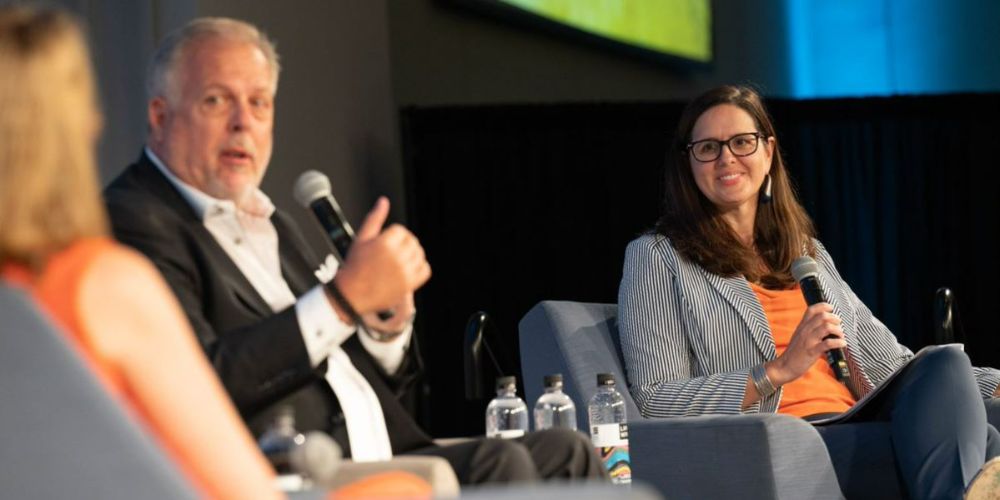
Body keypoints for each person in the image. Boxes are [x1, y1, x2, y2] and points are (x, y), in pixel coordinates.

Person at [103, 16, 603, 485]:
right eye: (217, 100)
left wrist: (382, 325)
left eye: (259, 103)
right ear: (159, 115)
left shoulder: (266, 217)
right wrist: (342, 300)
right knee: (503, 462)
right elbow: (200, 381)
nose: (243, 123)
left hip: (382, 450)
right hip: (290, 471)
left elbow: (354, 365)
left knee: (570, 451)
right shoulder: (137, 219)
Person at [617, 84, 1000, 499]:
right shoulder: (657, 257)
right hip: (787, 434)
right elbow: (656, 398)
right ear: (688, 162)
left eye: (742, 142)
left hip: (856, 414)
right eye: (708, 147)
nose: (726, 157)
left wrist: (988, 383)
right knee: (982, 450)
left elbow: (891, 363)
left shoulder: (806, 253)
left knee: (948, 369)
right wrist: (777, 371)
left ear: (768, 151)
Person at [0, 7, 281, 499]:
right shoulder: (105, 285)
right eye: (217, 100)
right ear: (77, 127)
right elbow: (247, 492)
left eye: (259, 103)